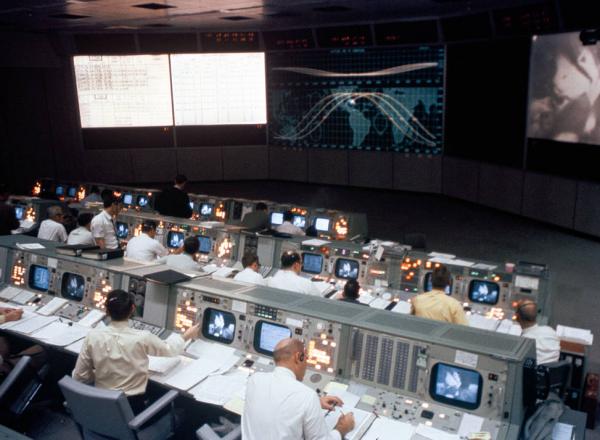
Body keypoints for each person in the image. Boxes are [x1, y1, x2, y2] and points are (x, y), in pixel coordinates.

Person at [72, 289, 199, 413]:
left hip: (101, 406)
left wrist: (102, 374)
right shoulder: (142, 337)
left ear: (107, 311)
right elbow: (170, 350)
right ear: (132, 309)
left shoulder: (92, 336)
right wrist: (186, 336)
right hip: (133, 409)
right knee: (179, 405)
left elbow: (79, 376)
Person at [242, 338, 354, 440]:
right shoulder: (307, 396)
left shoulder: (254, 380)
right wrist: (341, 430)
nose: (306, 364)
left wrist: (316, 403)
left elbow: (275, 400)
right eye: (306, 358)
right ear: (298, 357)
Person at [515, 300, 561, 365]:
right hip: (551, 373)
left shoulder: (524, 341)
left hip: (530, 374)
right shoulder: (551, 331)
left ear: (517, 317)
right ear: (536, 315)